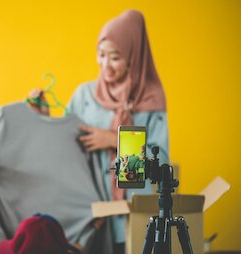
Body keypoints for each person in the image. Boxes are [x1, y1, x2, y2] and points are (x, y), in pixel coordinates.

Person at [67, 10, 169, 254]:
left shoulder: (151, 99)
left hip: (133, 216)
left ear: (134, 56)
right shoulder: (84, 96)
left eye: (115, 57)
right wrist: (40, 111)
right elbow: (61, 145)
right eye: (101, 55)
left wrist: (114, 140)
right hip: (90, 215)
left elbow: (161, 162)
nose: (105, 65)